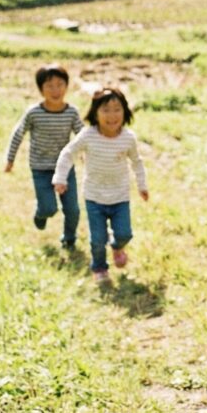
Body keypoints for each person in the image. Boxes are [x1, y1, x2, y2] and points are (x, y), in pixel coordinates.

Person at [53, 87, 149, 283]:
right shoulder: (88, 136)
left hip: (120, 196)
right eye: (106, 110)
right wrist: (60, 177)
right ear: (95, 113)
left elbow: (137, 162)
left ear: (125, 112)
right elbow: (68, 153)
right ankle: (99, 267)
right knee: (97, 239)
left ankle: (117, 246)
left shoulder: (128, 138)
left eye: (117, 109)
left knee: (124, 233)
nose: (112, 115)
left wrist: (142, 185)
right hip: (94, 196)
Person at [4, 63, 83, 249]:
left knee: (72, 209)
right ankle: (40, 214)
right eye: (49, 86)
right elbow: (18, 133)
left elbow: (82, 136)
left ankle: (69, 239)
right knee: (49, 208)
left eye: (60, 84)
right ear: (41, 89)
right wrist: (10, 159)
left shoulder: (71, 112)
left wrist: (87, 154)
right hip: (40, 168)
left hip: (64, 168)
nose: (55, 90)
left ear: (66, 86)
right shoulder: (34, 113)